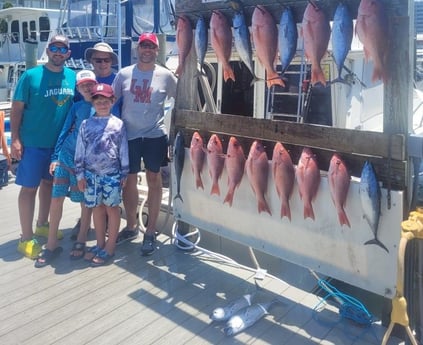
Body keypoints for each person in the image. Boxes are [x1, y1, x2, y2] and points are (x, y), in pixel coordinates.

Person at [112, 32, 177, 256]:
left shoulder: (166, 76)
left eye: (151, 47)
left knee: (154, 179)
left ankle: (150, 231)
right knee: (128, 181)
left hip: (154, 135)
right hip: (128, 135)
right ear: (138, 49)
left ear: (157, 50)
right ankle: (131, 226)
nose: (147, 50)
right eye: (143, 46)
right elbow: (110, 102)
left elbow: (182, 101)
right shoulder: (123, 74)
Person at [11, 34, 75, 259]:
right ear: (47, 50)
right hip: (33, 144)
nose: (58, 52)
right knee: (29, 189)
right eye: (54, 47)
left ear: (68, 53)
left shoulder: (73, 76)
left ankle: (42, 224)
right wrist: (15, 139)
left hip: (57, 147)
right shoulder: (31, 76)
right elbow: (17, 108)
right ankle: (26, 238)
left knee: (49, 185)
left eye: (63, 48)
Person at [34, 70, 97, 268]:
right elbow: (64, 131)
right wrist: (55, 157)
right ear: (78, 88)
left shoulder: (104, 105)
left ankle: (81, 238)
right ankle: (51, 244)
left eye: (90, 84)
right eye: (83, 84)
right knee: (57, 198)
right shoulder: (75, 106)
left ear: (95, 85)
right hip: (66, 157)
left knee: (85, 201)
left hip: (86, 162)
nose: (87, 87)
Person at [74, 83, 129, 266]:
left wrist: (124, 172)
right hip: (90, 176)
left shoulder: (118, 124)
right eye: (98, 101)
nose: (102, 104)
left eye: (106, 101)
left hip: (112, 175)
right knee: (96, 208)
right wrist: (80, 175)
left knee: (111, 209)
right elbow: (80, 150)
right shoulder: (85, 124)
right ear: (92, 102)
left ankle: (110, 246)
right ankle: (100, 243)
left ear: (112, 101)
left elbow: (123, 149)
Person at [71, 42, 121, 239]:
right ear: (91, 61)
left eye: (106, 59)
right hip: (88, 143)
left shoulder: (118, 80)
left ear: (111, 61)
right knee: (89, 187)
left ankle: (107, 226)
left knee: (109, 191)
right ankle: (84, 222)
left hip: (111, 142)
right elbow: (76, 111)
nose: (102, 63)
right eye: (97, 59)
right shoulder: (84, 82)